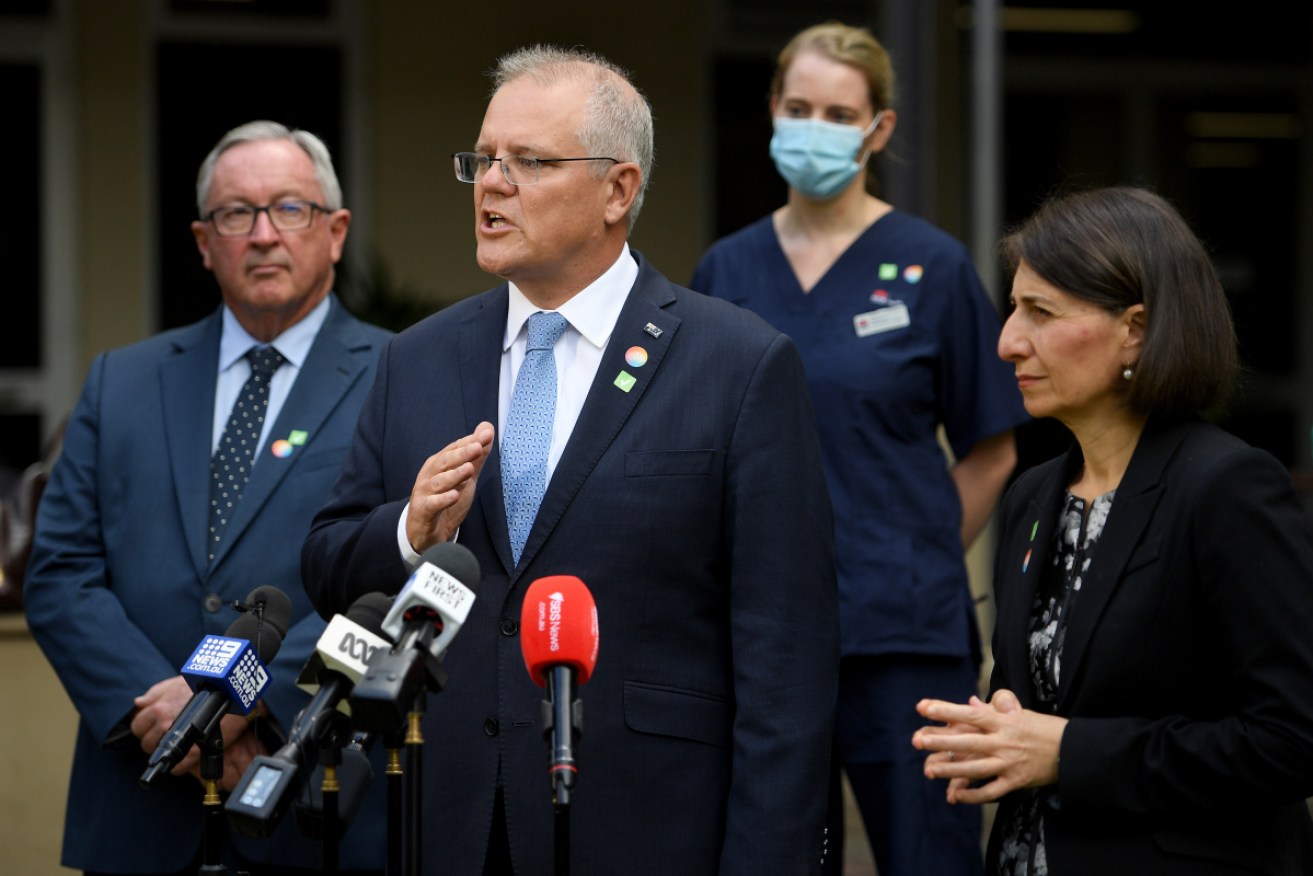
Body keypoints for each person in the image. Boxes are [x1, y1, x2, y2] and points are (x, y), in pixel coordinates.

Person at [302, 45, 839, 875]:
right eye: (483, 159)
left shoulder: (737, 365)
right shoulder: (417, 358)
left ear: (618, 190)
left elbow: (785, 666)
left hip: (647, 826)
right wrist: (408, 531)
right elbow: (329, 563)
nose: (491, 183)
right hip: (452, 824)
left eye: (530, 162)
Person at [690, 22, 1027, 875]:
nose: (814, 127)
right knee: (771, 853)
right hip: (761, 636)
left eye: (838, 113)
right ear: (771, 112)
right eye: (797, 107)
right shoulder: (725, 273)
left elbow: (992, 446)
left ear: (877, 130)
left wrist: (913, 548)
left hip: (904, 637)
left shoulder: (932, 269)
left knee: (927, 854)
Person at [24, 120, 392, 876]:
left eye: (289, 209)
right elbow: (60, 574)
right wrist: (157, 709)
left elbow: (401, 575)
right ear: (201, 240)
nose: (262, 235)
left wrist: (236, 700)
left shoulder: (401, 373)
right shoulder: (120, 382)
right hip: (141, 806)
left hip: (307, 799)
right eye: (235, 214)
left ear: (335, 231)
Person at [912, 186, 1313, 874]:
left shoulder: (1226, 489)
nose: (1008, 341)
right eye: (1013, 308)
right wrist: (990, 741)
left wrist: (1067, 754)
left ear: (1135, 328)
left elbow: (1287, 740)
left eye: (1039, 312)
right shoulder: (1033, 497)